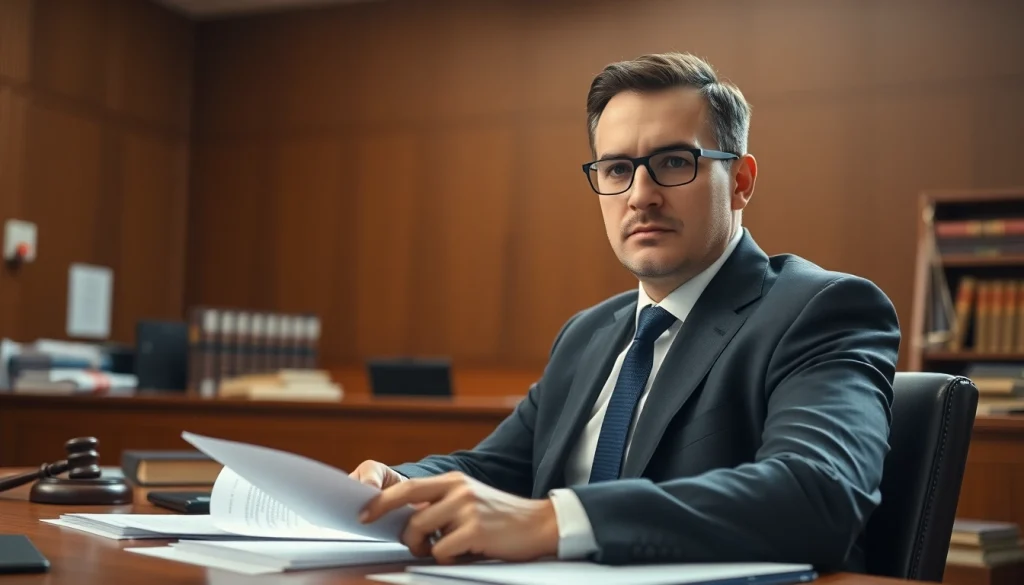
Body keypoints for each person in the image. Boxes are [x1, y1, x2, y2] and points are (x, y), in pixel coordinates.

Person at [353, 52, 900, 572]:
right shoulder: (588, 333)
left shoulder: (822, 310)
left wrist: (557, 520)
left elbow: (818, 492)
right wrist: (399, 484)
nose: (641, 195)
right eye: (617, 169)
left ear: (740, 182)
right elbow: (499, 470)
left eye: (672, 162)